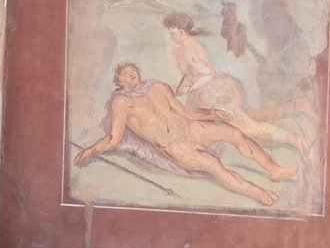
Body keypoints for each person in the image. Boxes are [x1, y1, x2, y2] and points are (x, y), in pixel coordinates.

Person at [74, 62, 298, 206]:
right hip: (175, 146)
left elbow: (185, 112)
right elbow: (114, 138)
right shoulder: (121, 102)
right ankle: (258, 193)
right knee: (214, 165)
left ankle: (274, 170)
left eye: (132, 69)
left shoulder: (159, 87)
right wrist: (92, 150)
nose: (130, 73)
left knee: (236, 135)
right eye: (124, 73)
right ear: (119, 81)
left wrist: (211, 112)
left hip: (191, 128)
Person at [162, 12, 308, 155]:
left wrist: (190, 88)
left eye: (172, 33)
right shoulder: (177, 49)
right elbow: (189, 74)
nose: (171, 36)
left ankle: (296, 140)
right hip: (198, 95)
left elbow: (208, 75)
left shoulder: (193, 49)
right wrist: (180, 87)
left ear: (181, 31)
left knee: (248, 128)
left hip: (214, 93)